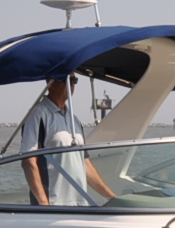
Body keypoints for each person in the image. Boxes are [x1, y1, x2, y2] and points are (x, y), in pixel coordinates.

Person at [20, 75, 114, 206]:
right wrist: (44, 205)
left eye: (74, 80)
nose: (72, 85)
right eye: (67, 79)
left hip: (80, 204)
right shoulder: (37, 115)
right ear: (50, 82)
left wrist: (111, 197)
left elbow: (84, 164)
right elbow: (28, 161)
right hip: (53, 206)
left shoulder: (74, 120)